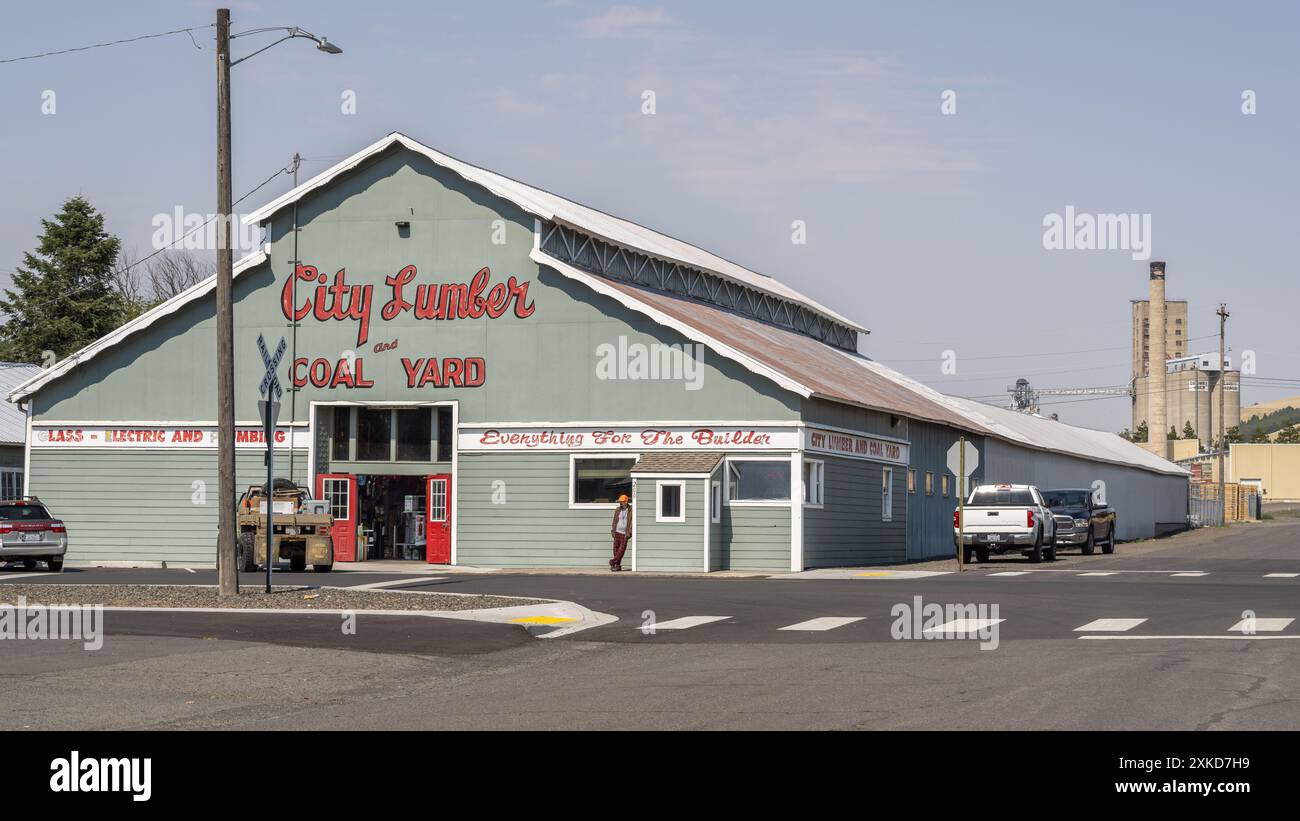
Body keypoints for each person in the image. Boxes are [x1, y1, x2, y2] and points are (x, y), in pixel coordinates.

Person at [609, 494, 632, 571]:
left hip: (624, 534)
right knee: (615, 550)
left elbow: (632, 522)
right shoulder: (618, 509)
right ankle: (617, 566)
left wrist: (629, 531)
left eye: (622, 502)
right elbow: (614, 520)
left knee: (621, 550)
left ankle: (613, 562)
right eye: (620, 502)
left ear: (626, 502)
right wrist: (613, 530)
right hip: (617, 532)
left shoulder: (631, 510)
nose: (620, 503)